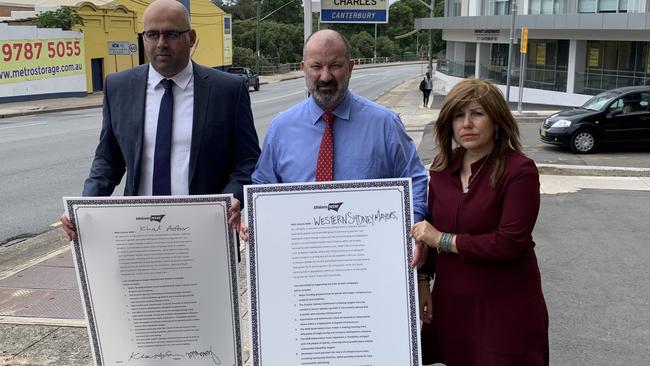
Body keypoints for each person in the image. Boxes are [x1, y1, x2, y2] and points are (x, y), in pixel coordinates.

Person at [60, 0, 260, 240]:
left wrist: (233, 196)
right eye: (152, 34)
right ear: (143, 37)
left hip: (207, 233)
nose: (161, 43)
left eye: (171, 34)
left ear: (191, 37)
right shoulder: (118, 87)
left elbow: (248, 160)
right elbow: (108, 160)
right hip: (139, 231)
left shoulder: (227, 90)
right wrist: (83, 207)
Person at [410, 78, 549, 366]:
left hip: (505, 307)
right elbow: (429, 231)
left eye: (477, 114)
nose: (466, 124)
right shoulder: (441, 167)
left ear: (496, 120)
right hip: (453, 303)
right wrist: (424, 282)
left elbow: (509, 242)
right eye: (459, 116)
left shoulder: (519, 171)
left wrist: (444, 240)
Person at [250, 29, 427, 222]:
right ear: (303, 68)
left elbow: (414, 182)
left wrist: (412, 232)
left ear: (350, 67)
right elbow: (263, 189)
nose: (325, 77)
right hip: (302, 247)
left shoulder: (385, 125)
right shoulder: (280, 129)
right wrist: (256, 224)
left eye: (335, 66)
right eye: (316, 66)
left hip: (368, 249)